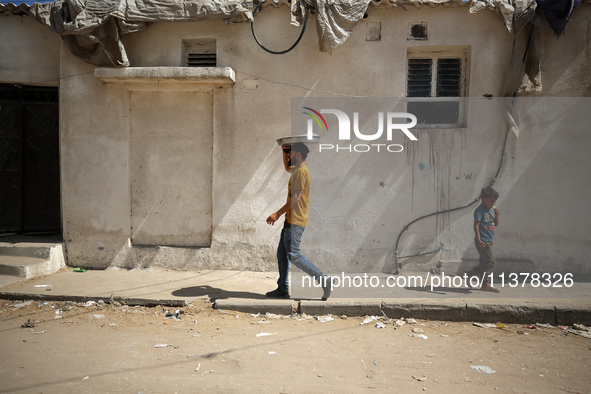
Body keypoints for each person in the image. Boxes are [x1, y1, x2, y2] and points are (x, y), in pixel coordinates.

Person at [265, 142, 332, 300]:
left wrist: (277, 213)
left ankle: (323, 279)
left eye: (291, 153)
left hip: (295, 221)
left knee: (294, 256)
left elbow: (296, 198)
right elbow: (287, 168)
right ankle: (282, 289)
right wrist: (284, 150)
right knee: (282, 254)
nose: (289, 156)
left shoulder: (302, 172)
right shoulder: (296, 171)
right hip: (291, 221)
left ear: (299, 155)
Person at [466, 186, 501, 292]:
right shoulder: (479, 211)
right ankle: (471, 273)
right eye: (491, 201)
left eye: (494, 201)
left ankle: (485, 284)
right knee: (490, 262)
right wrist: (479, 240)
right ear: (483, 199)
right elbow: (476, 225)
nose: (493, 203)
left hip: (489, 239)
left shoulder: (491, 210)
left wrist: (497, 215)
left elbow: (495, 224)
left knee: (484, 262)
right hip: (482, 241)